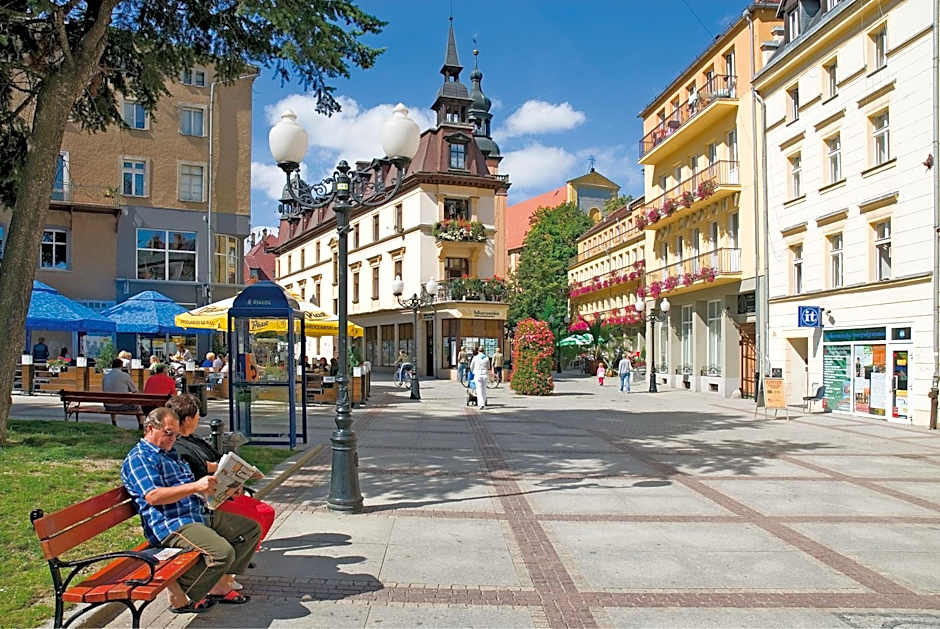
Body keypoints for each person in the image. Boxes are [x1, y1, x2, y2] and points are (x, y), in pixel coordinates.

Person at [121, 407, 258, 613]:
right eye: (168, 433)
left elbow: (189, 487)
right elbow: (153, 496)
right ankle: (183, 588)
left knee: (250, 530)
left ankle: (218, 584)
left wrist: (226, 488)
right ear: (149, 428)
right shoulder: (140, 458)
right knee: (222, 553)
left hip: (197, 512)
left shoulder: (170, 453)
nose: (172, 439)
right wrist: (195, 487)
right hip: (171, 523)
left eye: (176, 435)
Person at [167, 394, 275, 552]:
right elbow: (199, 468)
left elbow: (217, 459)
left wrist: (236, 481)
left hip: (222, 493)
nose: (199, 419)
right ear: (188, 419)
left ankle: (248, 550)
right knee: (256, 517)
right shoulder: (175, 445)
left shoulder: (193, 439)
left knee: (266, 512)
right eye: (197, 415)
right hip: (207, 502)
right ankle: (244, 552)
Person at [101, 358, 145, 428]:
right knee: (138, 406)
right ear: (121, 366)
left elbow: (104, 390)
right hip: (122, 405)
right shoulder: (125, 375)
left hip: (108, 406)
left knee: (112, 399)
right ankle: (141, 425)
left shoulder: (105, 376)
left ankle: (114, 422)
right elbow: (134, 391)